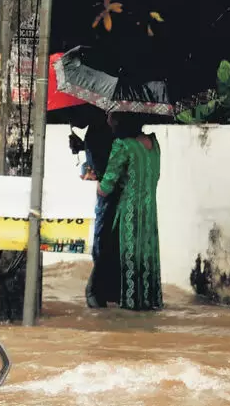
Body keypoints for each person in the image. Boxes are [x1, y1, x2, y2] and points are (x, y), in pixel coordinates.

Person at [93, 112, 162, 311]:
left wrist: (97, 181)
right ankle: (148, 300)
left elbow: (105, 188)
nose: (108, 120)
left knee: (125, 256)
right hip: (149, 213)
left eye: (112, 117)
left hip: (128, 214)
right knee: (147, 256)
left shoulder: (122, 146)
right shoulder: (153, 144)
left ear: (121, 120)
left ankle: (130, 302)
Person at [69, 107, 117, 307]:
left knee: (101, 242)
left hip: (107, 194)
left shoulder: (99, 132)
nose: (73, 120)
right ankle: (107, 290)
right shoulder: (97, 130)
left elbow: (101, 169)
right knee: (105, 241)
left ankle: (97, 291)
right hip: (108, 193)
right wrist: (81, 146)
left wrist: (97, 180)